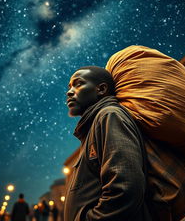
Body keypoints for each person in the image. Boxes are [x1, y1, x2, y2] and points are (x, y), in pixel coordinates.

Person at [64, 66, 151, 221]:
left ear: (101, 89)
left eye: (78, 84)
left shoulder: (109, 115)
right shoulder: (95, 123)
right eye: (70, 87)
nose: (69, 92)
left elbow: (125, 188)